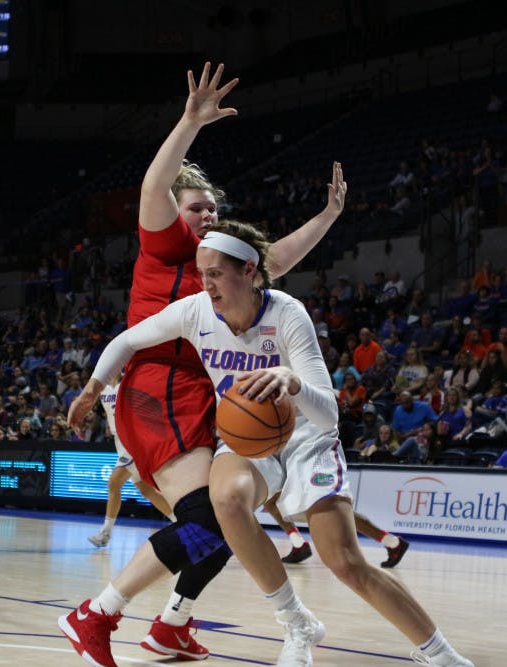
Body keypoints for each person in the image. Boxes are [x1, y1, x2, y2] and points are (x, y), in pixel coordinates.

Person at [69, 221, 472, 667]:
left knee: (344, 561)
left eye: (216, 274)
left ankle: (440, 654)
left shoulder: (287, 314)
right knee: (225, 501)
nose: (206, 284)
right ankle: (296, 622)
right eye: (202, 274)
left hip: (306, 436)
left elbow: (329, 413)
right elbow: (127, 339)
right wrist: (92, 389)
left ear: (249, 271)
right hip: (247, 437)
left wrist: (291, 380)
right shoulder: (195, 311)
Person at [59, 63, 351, 667]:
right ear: (176, 212)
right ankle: (96, 614)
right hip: (158, 387)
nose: (209, 216)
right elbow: (153, 187)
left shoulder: (220, 268)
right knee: (208, 519)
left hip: (204, 395)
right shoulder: (166, 244)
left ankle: (172, 624)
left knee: (226, 521)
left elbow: (273, 260)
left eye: (215, 209)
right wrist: (190, 121)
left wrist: (327, 217)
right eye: (198, 208)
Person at [88, 383, 173, 548]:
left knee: (114, 483)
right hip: (119, 440)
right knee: (146, 489)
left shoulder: (128, 383)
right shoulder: (103, 386)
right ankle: (181, 520)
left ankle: (105, 533)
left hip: (134, 439)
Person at [262, 492, 410, 568]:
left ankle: (394, 543)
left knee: (334, 511)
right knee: (271, 500)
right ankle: (298, 544)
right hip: (307, 463)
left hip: (318, 464)